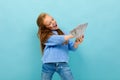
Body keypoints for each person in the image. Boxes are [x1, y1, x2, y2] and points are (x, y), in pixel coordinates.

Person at [36, 13, 84, 80]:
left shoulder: (64, 34)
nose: (53, 22)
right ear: (45, 28)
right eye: (49, 23)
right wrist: (73, 34)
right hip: (48, 64)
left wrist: (77, 43)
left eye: (52, 19)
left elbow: (72, 47)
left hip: (62, 64)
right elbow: (58, 39)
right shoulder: (45, 36)